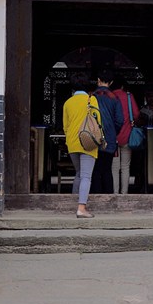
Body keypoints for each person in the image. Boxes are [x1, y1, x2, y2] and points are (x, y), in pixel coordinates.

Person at [62, 72, 99, 218]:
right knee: (86, 176)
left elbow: (65, 126)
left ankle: (73, 204)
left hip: (72, 142)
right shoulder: (92, 100)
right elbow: (98, 121)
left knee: (78, 173)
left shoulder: (68, 103)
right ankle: (81, 208)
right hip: (88, 141)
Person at [90, 70, 124, 194]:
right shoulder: (114, 98)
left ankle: (95, 197)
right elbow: (120, 120)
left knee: (95, 170)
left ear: (98, 80)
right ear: (111, 82)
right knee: (107, 169)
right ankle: (108, 198)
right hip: (109, 138)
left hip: (93, 137)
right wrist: (113, 131)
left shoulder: (91, 96)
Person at [111, 77, 141, 194]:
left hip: (113, 137)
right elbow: (136, 114)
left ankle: (115, 193)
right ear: (123, 86)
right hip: (127, 137)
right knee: (125, 166)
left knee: (114, 167)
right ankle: (124, 193)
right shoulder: (128, 96)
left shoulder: (110, 96)